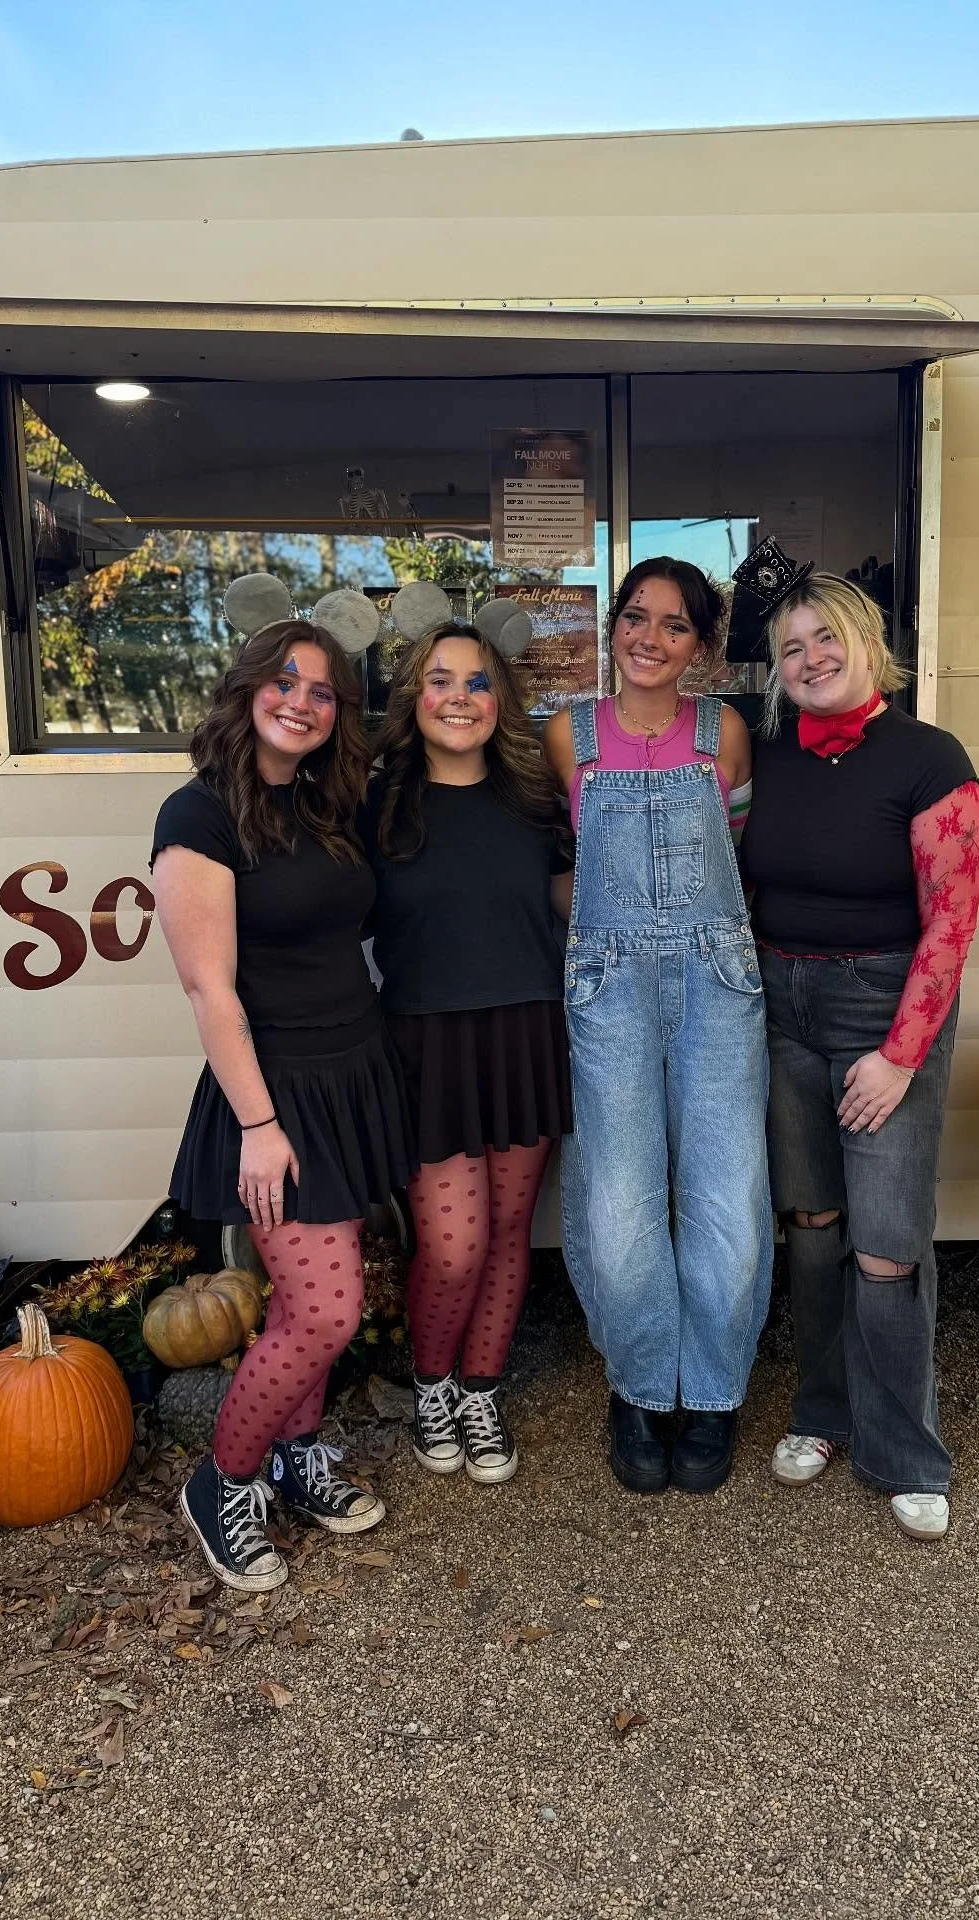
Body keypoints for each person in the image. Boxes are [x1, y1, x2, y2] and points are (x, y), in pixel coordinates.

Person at [151, 618, 414, 1592]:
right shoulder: (199, 815)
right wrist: (259, 1128)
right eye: (286, 682)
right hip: (275, 1097)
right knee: (330, 1311)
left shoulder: (320, 801)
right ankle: (223, 1478)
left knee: (310, 1302)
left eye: (324, 690)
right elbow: (207, 990)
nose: (302, 701)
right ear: (250, 688)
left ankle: (298, 1462)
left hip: (350, 1072)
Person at [740, 568, 979, 1542]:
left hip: (887, 1013)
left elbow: (952, 926)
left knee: (885, 1246)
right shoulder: (773, 758)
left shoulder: (929, 759)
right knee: (811, 1222)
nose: (810, 659)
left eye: (826, 638)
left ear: (865, 641)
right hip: (780, 1009)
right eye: (792, 647)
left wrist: (897, 1057)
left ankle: (905, 1450)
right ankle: (823, 1410)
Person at [545, 557, 772, 1495]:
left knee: (727, 1193)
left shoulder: (725, 733)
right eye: (635, 618)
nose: (649, 638)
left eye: (674, 626)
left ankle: (712, 1393)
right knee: (620, 1198)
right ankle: (641, 1389)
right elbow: (564, 867)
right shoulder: (569, 733)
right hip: (610, 984)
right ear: (613, 628)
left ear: (701, 646)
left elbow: (738, 853)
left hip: (718, 975)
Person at [366, 622, 573, 1485]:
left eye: (479, 682)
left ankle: (481, 1389)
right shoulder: (375, 804)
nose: (460, 697)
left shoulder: (537, 800)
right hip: (427, 1042)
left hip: (526, 1032)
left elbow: (580, 907)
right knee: (453, 1245)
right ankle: (432, 1384)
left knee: (511, 1231)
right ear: (413, 697)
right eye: (440, 679)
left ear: (502, 701)